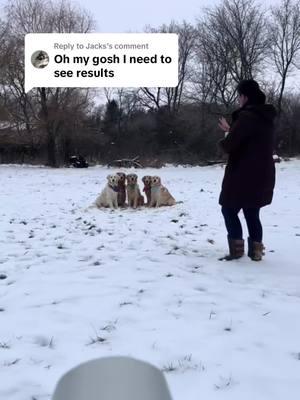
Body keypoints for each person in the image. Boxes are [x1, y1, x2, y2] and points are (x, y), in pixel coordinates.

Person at [218, 79, 277, 261]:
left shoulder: (247, 117)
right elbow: (251, 140)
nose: (238, 100)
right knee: (252, 211)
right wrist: (233, 129)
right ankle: (256, 252)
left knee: (228, 209)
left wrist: (228, 132)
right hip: (263, 173)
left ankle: (236, 251)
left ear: (245, 96)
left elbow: (230, 145)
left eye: (239, 96)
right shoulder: (266, 118)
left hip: (243, 174)